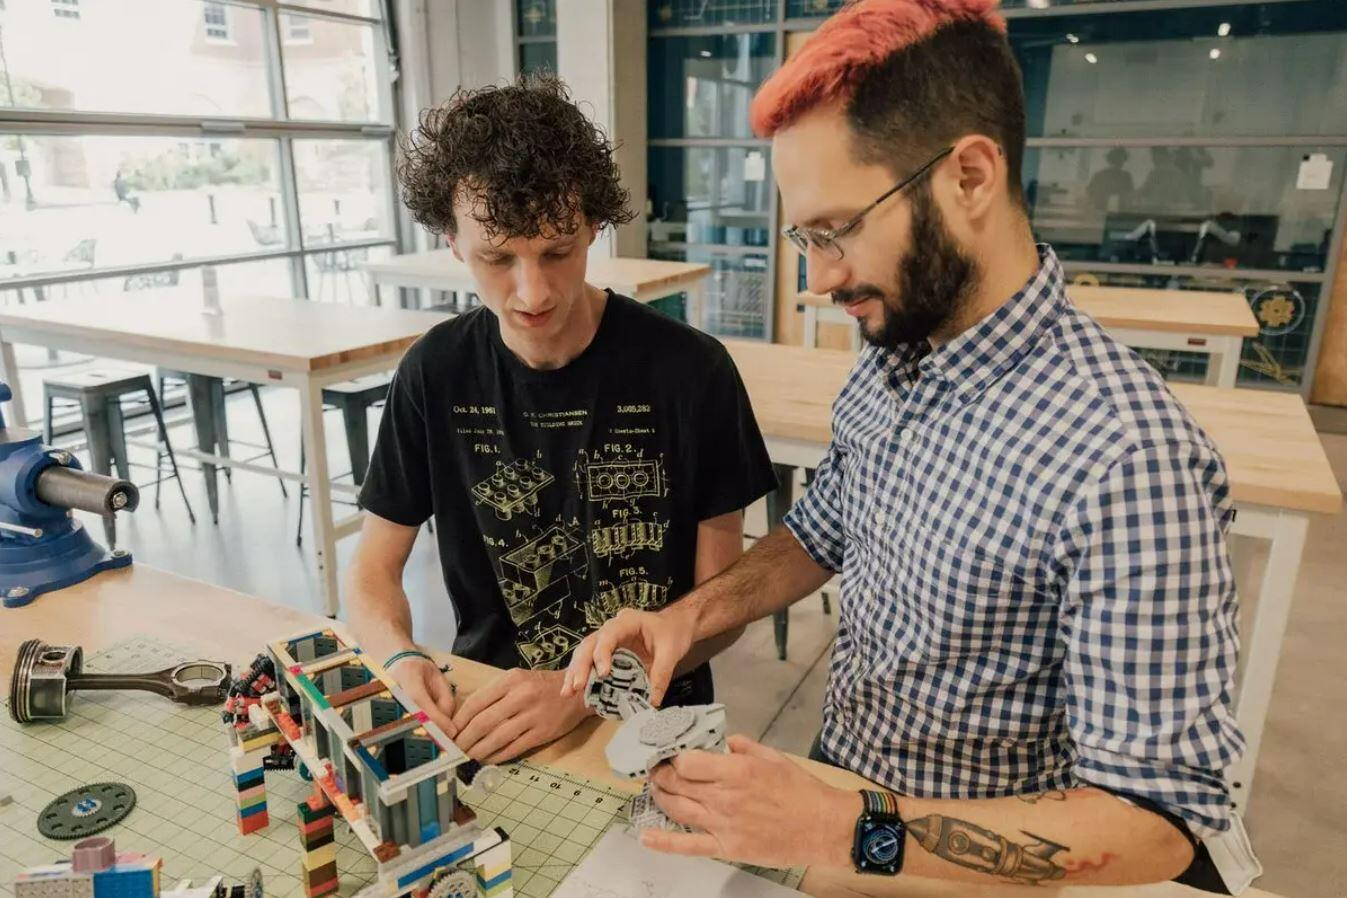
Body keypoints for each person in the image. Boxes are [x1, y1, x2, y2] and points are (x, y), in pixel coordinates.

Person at [564, 0, 1244, 888]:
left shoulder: (1126, 458)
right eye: (803, 237)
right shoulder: (896, 358)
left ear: (968, 176)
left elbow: (1157, 821)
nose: (818, 278)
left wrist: (851, 827)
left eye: (838, 230)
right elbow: (821, 532)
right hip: (839, 790)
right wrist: (683, 620)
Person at [347, 75, 777, 767]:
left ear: (594, 228)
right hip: (495, 705)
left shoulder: (691, 371)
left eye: (557, 250)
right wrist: (399, 656)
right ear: (452, 242)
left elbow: (719, 608)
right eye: (496, 257)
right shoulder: (435, 372)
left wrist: (581, 691)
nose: (533, 291)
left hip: (657, 717)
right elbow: (373, 567)